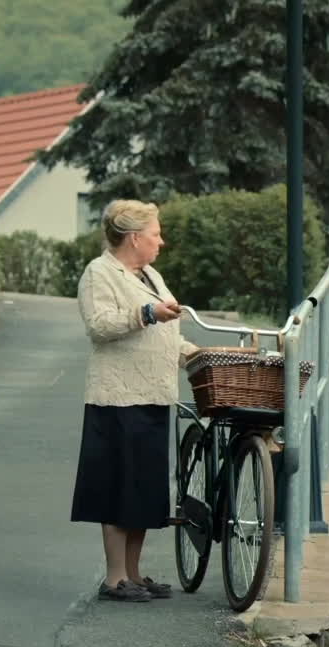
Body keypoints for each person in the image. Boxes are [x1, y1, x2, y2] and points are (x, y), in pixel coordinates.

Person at [70, 199, 199, 602]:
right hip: (117, 398)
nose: (162, 241)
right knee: (117, 487)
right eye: (156, 234)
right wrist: (145, 313)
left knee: (142, 489)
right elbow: (99, 325)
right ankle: (114, 579)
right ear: (134, 238)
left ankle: (134, 574)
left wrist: (196, 355)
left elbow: (166, 332)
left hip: (153, 395)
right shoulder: (99, 273)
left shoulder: (151, 275)